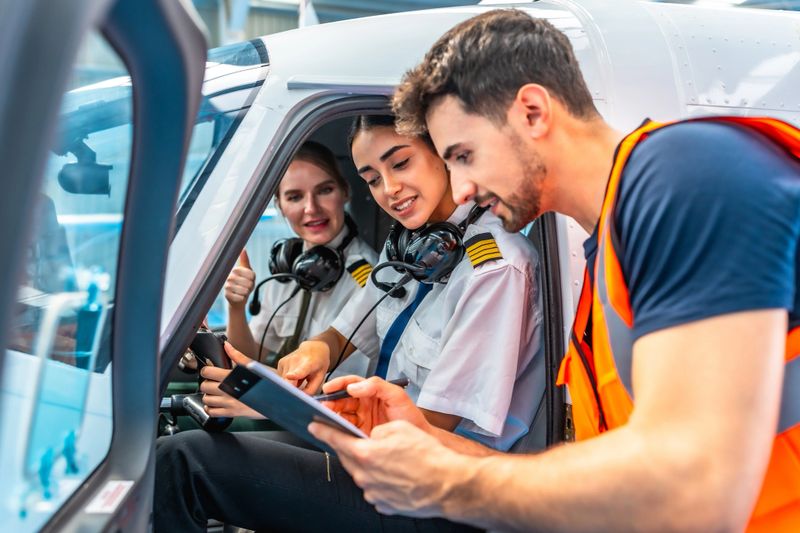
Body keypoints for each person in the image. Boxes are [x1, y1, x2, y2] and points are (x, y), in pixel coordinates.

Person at [308, 9, 800, 533]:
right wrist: (432, 448)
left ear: (533, 112)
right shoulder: (606, 253)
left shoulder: (686, 176)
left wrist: (446, 483)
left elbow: (695, 491)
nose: (464, 188)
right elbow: (619, 487)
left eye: (465, 155)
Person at [153, 115, 545, 532]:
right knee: (189, 448)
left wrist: (271, 404)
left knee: (183, 462)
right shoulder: (414, 249)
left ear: (443, 153)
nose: (389, 190)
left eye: (401, 164)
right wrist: (314, 352)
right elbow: (341, 333)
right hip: (385, 459)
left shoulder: (495, 269)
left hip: (442, 496)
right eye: (373, 178)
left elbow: (428, 429)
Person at [223, 141, 376, 376]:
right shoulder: (286, 270)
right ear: (280, 206)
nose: (311, 208)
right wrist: (236, 307)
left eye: (324, 190)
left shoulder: (370, 277)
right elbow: (248, 357)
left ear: (345, 192)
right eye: (295, 197)